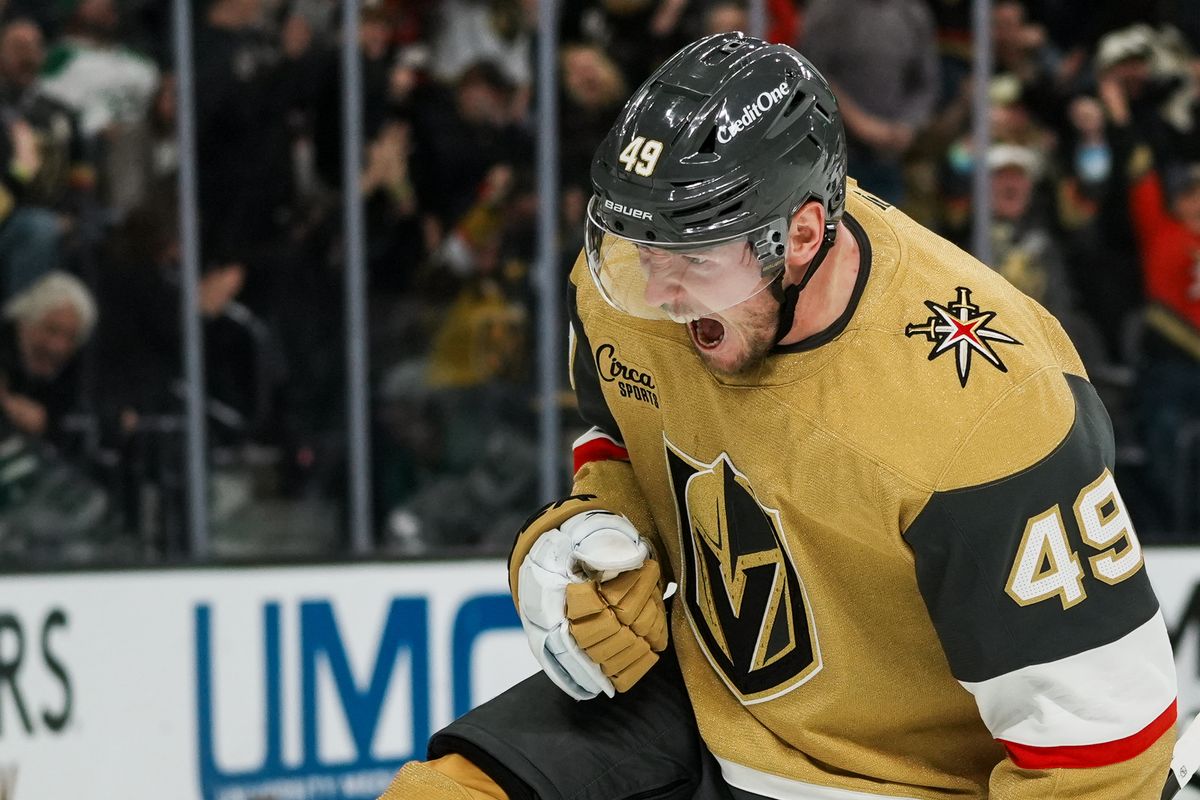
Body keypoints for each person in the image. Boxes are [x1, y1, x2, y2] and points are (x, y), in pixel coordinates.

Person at [381, 33, 1177, 800]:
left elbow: (1104, 750)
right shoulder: (634, 285)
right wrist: (596, 528)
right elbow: (621, 426)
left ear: (799, 235)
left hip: (900, 777)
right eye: (637, 247)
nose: (657, 293)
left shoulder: (986, 410)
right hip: (707, 697)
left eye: (693, 259)